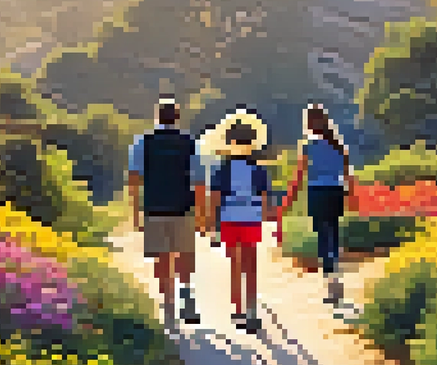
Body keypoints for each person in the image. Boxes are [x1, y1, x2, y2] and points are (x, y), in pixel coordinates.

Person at [127, 96, 204, 329]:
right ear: (177, 118)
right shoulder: (190, 143)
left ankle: (168, 303)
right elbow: (199, 180)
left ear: (157, 117)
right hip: (182, 205)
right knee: (184, 252)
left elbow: (134, 178)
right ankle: (186, 293)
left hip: (154, 205)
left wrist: (135, 211)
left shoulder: (143, 142)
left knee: (161, 256)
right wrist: (200, 214)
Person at [278, 103, 357, 307]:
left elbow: (299, 177)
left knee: (323, 237)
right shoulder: (338, 145)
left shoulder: (307, 146)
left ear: (309, 123)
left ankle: (332, 283)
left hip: (317, 192)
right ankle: (336, 277)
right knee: (334, 234)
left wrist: (288, 200)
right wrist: (352, 197)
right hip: (336, 192)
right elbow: (348, 176)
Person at [206, 107, 274, 333]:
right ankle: (252, 309)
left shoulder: (222, 170)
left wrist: (210, 224)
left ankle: (237, 310)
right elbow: (265, 199)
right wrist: (264, 218)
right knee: (250, 264)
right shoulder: (259, 170)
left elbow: (215, 198)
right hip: (251, 218)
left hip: (229, 218)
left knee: (235, 264)